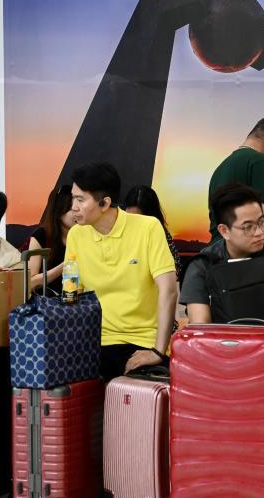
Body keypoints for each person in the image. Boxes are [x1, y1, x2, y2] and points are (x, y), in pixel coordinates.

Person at [65, 162, 179, 382]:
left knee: (135, 392)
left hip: (142, 341)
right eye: (73, 199)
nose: (73, 207)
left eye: (80, 200)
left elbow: (169, 290)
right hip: (94, 342)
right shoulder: (76, 235)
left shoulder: (148, 228)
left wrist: (157, 351)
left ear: (105, 203)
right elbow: (72, 296)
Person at [180, 183, 264, 327]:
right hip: (223, 340)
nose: (259, 232)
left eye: (262, 222)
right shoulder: (202, 265)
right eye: (248, 227)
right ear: (224, 231)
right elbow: (201, 325)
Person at [124, 185, 183, 281]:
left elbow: (175, 271)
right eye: (129, 217)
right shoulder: (117, 232)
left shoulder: (160, 235)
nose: (133, 223)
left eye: (138, 219)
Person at [27, 184, 76, 290]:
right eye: (72, 209)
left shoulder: (85, 234)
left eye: (79, 209)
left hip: (79, 296)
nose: (77, 214)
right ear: (59, 210)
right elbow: (30, 282)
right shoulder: (41, 235)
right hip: (48, 298)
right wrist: (67, 265)